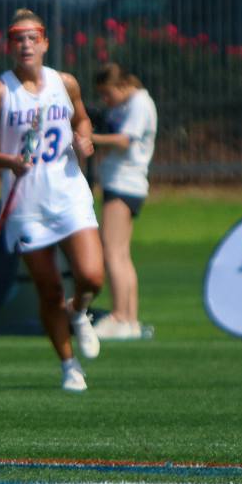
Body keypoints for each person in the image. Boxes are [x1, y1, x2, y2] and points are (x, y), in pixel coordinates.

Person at [0, 8, 106, 392]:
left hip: (69, 193)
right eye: (18, 38)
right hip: (27, 203)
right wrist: (8, 160)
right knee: (48, 289)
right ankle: (69, 365)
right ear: (11, 46)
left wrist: (84, 139)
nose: (25, 44)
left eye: (32, 37)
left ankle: (80, 313)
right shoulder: (0, 91)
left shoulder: (65, 83)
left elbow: (82, 119)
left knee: (92, 275)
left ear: (44, 43)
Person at [91, 62, 157, 342]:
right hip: (123, 182)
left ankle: (119, 316)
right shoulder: (129, 104)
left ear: (121, 85)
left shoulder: (139, 103)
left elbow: (124, 141)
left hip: (124, 182)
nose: (106, 101)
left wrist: (90, 138)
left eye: (108, 94)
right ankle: (129, 319)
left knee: (112, 251)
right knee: (121, 253)